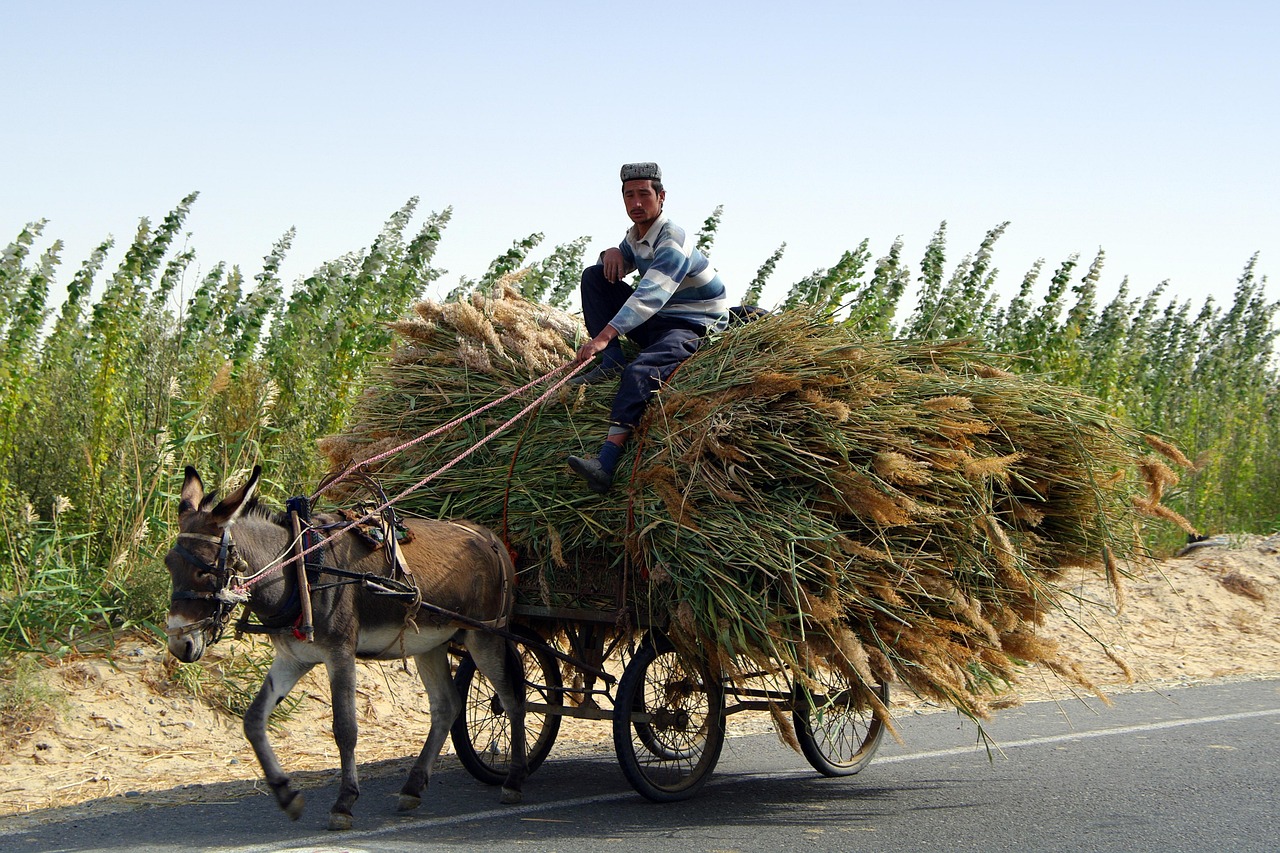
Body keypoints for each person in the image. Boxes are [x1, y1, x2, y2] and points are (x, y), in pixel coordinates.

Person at [567, 162, 730, 494]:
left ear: (661, 197)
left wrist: (604, 336)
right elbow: (614, 271)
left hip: (694, 324)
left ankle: (606, 462)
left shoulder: (673, 238)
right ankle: (612, 361)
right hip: (661, 320)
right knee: (594, 277)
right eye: (629, 195)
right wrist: (610, 253)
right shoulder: (635, 237)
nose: (637, 203)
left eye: (644, 194)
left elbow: (650, 294)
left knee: (641, 370)